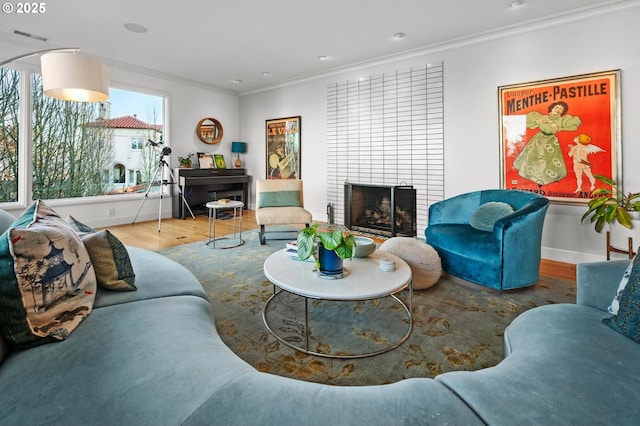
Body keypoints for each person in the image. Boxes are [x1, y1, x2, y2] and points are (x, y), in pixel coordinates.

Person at [513, 101, 581, 186]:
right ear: (552, 108)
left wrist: (557, 127)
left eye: (560, 109)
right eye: (556, 107)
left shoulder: (562, 121)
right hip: (539, 139)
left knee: (550, 159)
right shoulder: (542, 117)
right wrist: (539, 121)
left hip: (551, 141)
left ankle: (548, 177)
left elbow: (572, 125)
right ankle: (533, 176)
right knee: (533, 156)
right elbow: (528, 122)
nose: (558, 110)